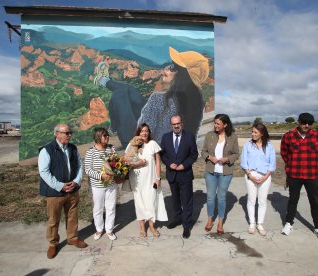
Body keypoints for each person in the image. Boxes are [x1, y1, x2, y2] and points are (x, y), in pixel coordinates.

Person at [95, 47, 209, 145]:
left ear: (183, 76)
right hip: (163, 142)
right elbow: (193, 133)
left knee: (120, 93)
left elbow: (146, 131)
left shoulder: (159, 99)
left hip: (141, 142)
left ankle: (104, 82)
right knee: (129, 89)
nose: (167, 67)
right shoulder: (196, 101)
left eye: (173, 67)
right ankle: (105, 81)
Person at [38, 124, 88, 259]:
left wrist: (76, 181)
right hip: (55, 193)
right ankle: (53, 243)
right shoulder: (46, 150)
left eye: (70, 132)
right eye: (66, 133)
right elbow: (44, 171)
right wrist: (60, 186)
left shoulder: (73, 148)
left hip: (72, 190)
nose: (69, 135)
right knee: (53, 219)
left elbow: (80, 166)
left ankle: (72, 238)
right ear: (57, 134)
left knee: (72, 216)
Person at [280, 112, 318, 242]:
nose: (306, 125)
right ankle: (289, 223)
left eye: (309, 123)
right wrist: (290, 165)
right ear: (298, 122)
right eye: (304, 122)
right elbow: (284, 153)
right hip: (294, 174)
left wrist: (314, 164)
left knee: (315, 201)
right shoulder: (289, 136)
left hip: (311, 174)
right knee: (293, 200)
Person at [126, 123, 168, 237]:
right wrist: (137, 162)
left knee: (151, 202)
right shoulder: (133, 145)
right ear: (138, 133)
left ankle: (151, 226)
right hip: (137, 179)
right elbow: (127, 160)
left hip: (150, 179)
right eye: (142, 131)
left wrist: (158, 178)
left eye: (146, 131)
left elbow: (158, 162)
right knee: (139, 203)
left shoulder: (153, 144)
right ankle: (142, 228)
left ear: (149, 132)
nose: (144, 133)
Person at [160, 115, 198, 239]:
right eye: (173, 124)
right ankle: (177, 218)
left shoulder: (190, 137)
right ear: (171, 125)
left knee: (187, 200)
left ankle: (186, 225)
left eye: (178, 123)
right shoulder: (165, 137)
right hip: (172, 175)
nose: (176, 126)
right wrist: (168, 163)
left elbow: (194, 155)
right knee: (175, 200)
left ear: (182, 123)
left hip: (185, 174)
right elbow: (163, 155)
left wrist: (184, 165)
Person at [201, 114, 239, 235]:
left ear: (225, 125)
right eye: (214, 123)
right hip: (211, 172)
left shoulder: (233, 137)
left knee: (221, 198)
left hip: (225, 173)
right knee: (211, 197)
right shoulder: (209, 136)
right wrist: (209, 157)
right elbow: (203, 151)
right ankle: (210, 220)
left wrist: (227, 159)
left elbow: (236, 154)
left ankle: (220, 222)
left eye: (218, 123)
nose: (215, 125)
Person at [240, 123, 276, 236]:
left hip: (265, 176)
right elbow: (244, 162)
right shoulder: (247, 145)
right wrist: (250, 175)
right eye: (252, 132)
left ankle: (260, 224)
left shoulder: (269, 146)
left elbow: (272, 163)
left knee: (262, 201)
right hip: (251, 175)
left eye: (256, 132)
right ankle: (252, 223)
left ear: (262, 133)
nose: (253, 134)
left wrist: (265, 177)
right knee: (251, 200)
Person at [84, 127, 118, 241]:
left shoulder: (111, 148)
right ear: (98, 137)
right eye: (105, 135)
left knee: (111, 207)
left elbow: (117, 163)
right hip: (97, 186)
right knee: (98, 208)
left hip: (111, 184)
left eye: (107, 135)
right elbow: (88, 169)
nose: (107, 137)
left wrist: (117, 171)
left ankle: (109, 230)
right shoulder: (91, 151)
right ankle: (99, 229)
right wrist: (101, 176)